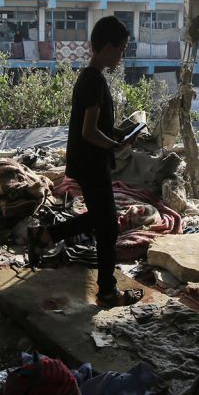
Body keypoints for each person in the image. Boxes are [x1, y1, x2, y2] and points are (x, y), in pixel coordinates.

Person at [26, 16, 142, 308]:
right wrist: (116, 144)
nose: (122, 55)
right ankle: (106, 291)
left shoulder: (91, 77)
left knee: (102, 219)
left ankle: (46, 235)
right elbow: (89, 131)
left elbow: (96, 126)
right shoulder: (93, 79)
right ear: (107, 47)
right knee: (108, 228)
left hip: (89, 160)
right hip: (92, 163)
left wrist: (120, 132)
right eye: (121, 49)